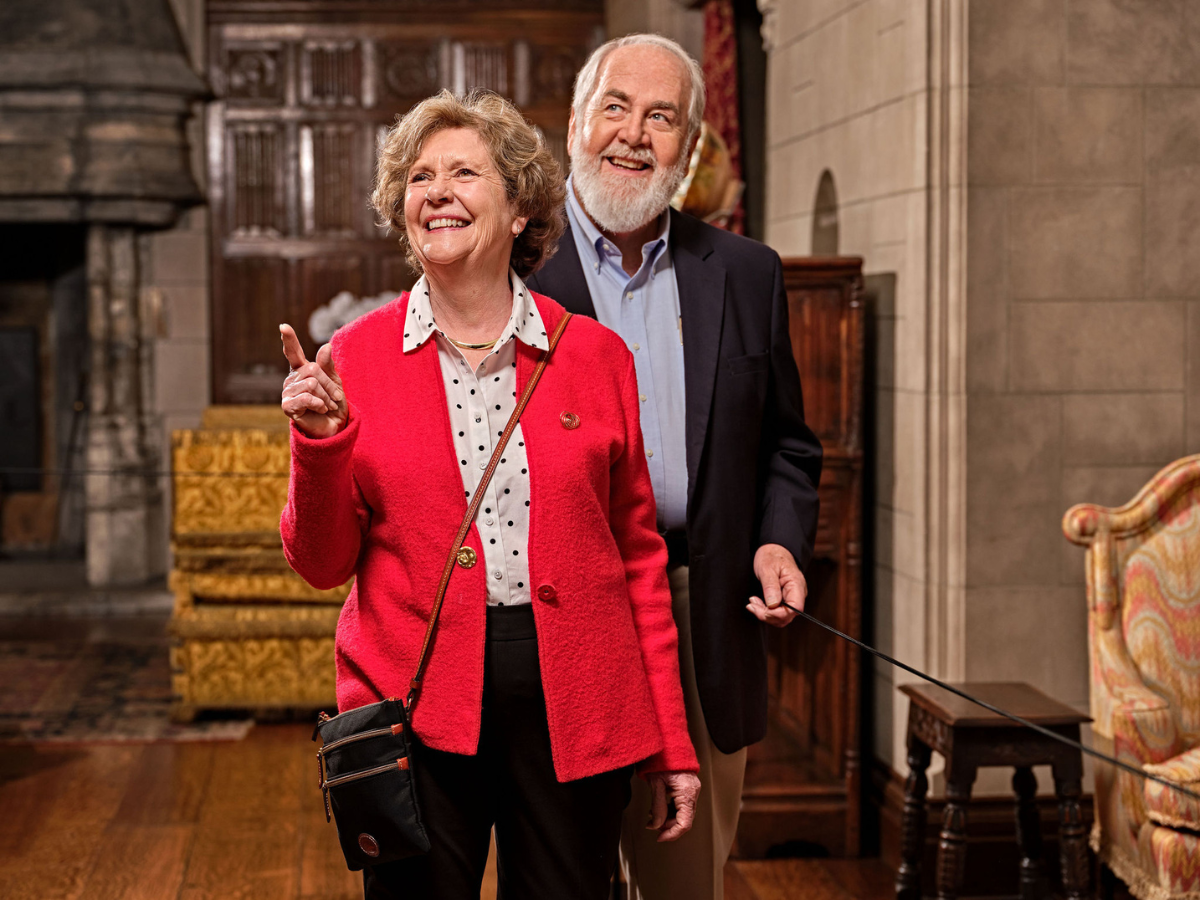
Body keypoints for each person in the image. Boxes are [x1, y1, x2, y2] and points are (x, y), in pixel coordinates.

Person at [277, 88, 700, 900]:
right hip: (417, 701)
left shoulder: (597, 358)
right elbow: (323, 564)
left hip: (577, 697)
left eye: (464, 173)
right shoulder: (353, 358)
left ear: (517, 210)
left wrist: (670, 742)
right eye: (419, 177)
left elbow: (639, 564)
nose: (435, 191)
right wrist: (321, 444)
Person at [525, 34, 824, 900]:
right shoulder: (512, 272)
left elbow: (787, 446)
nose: (632, 133)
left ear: (689, 149)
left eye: (662, 117)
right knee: (561, 875)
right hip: (554, 614)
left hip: (701, 613)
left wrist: (779, 541)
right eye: (615, 106)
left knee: (684, 882)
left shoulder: (745, 274)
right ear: (576, 123)